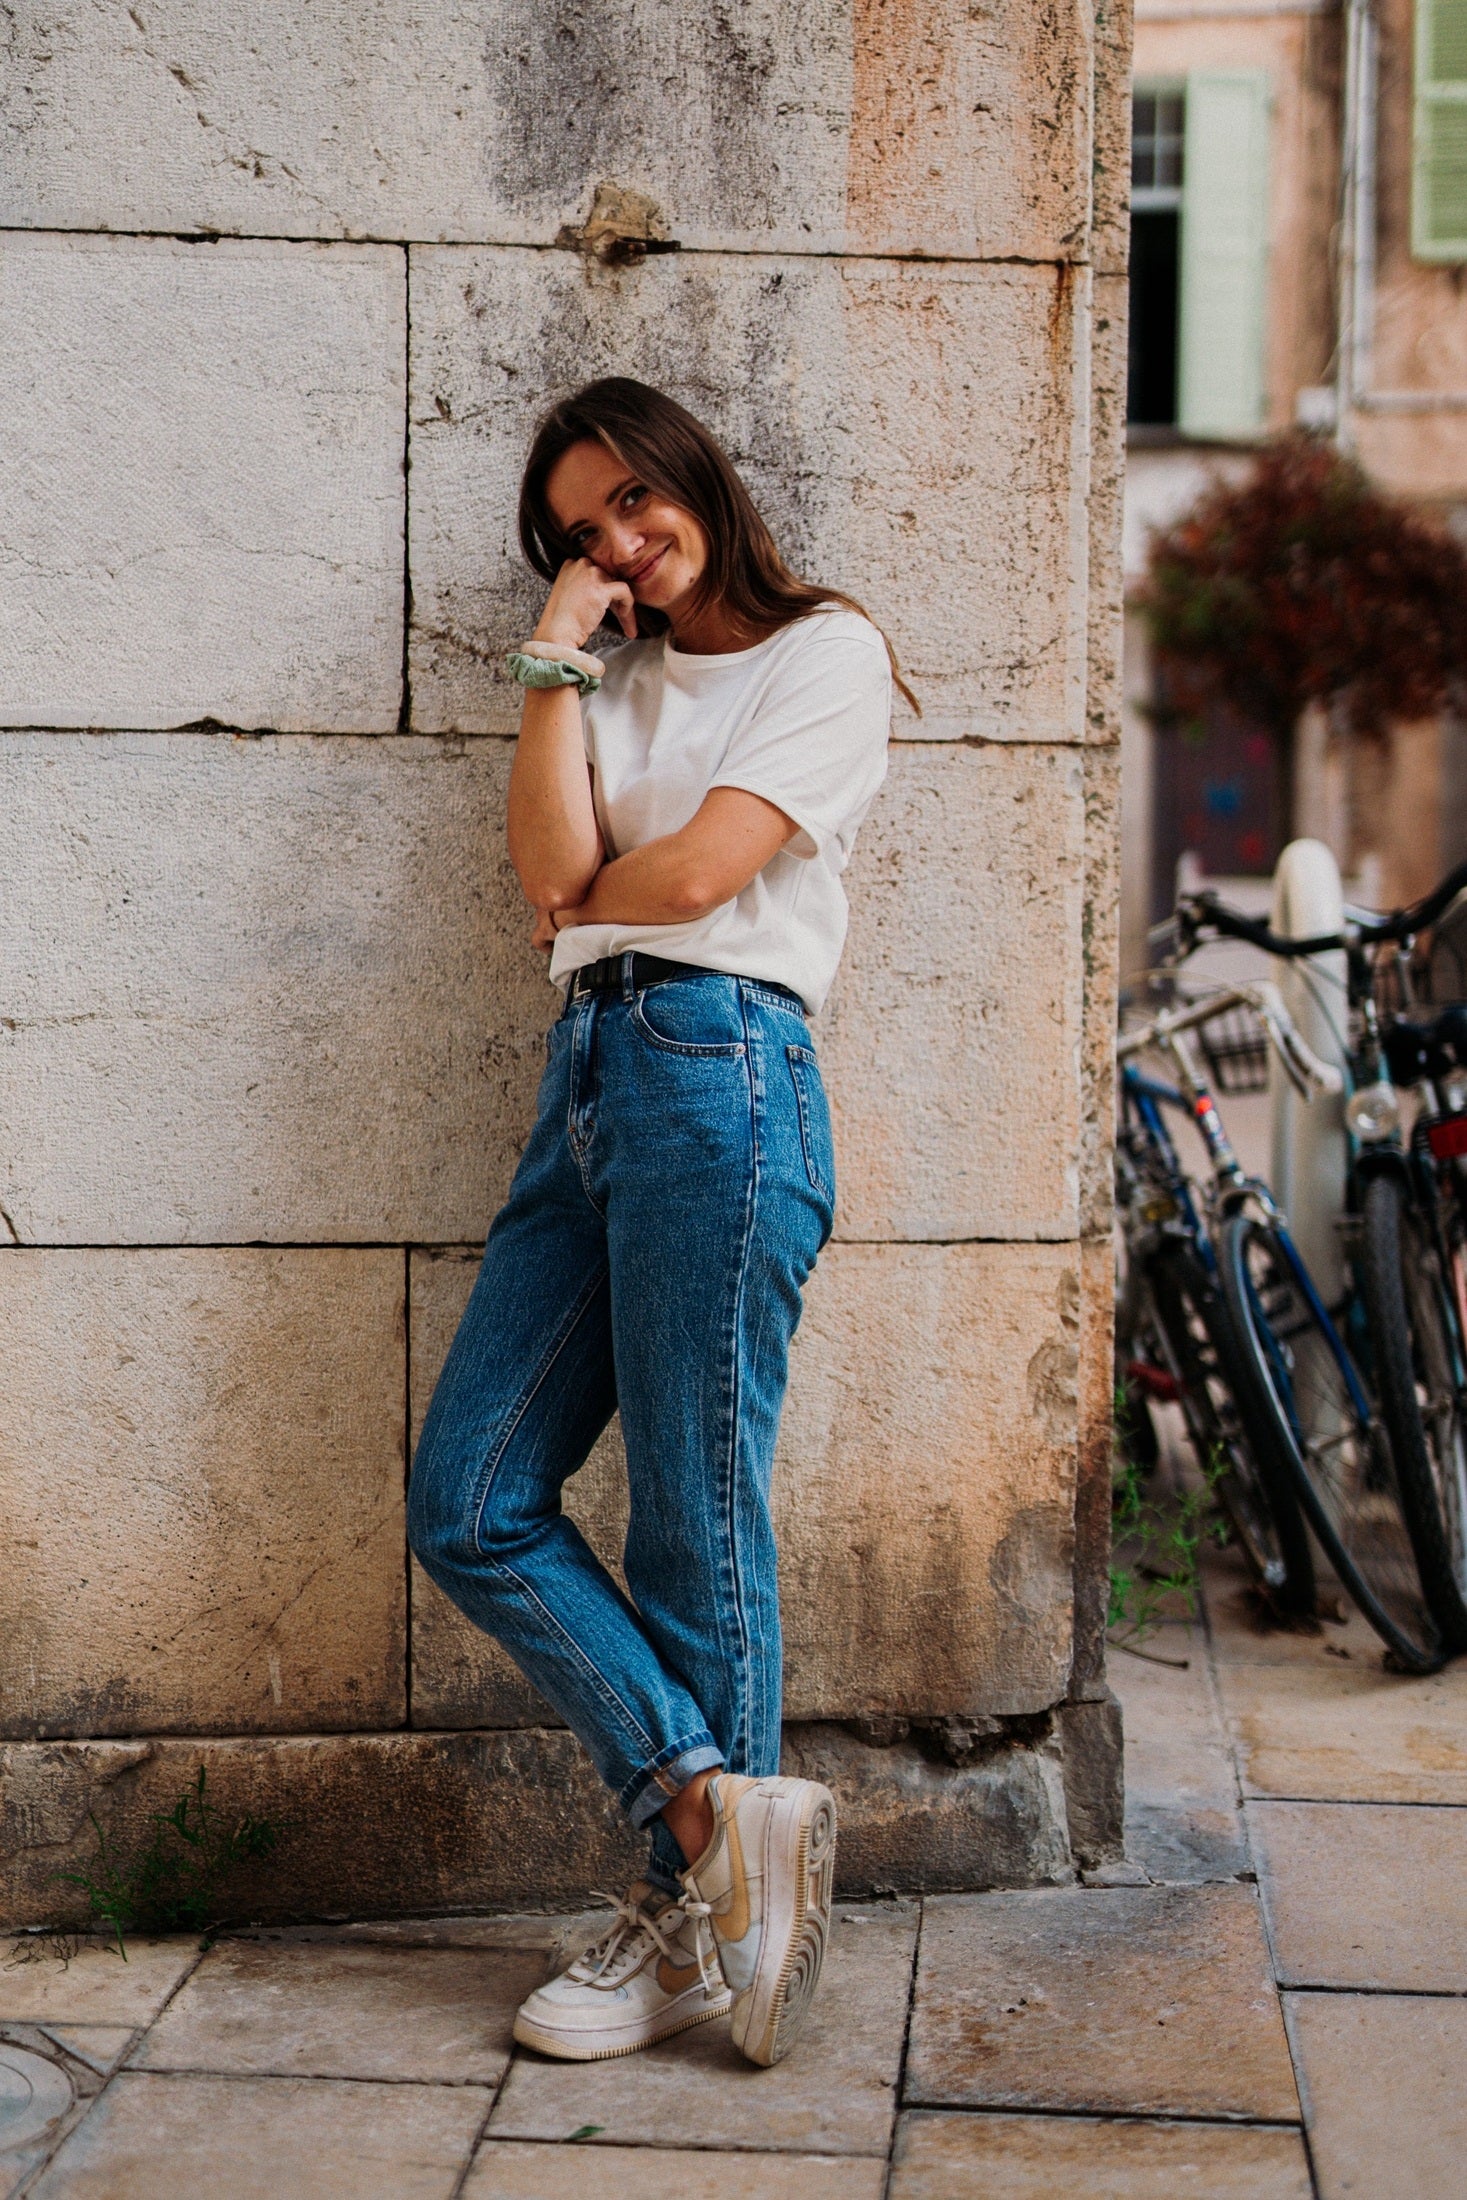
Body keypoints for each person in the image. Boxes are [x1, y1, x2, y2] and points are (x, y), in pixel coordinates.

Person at [408, 376, 907, 2068]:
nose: (621, 541)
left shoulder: (824, 653)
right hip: (591, 1079)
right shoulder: (598, 683)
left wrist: (596, 885)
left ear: (692, 470)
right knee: (471, 1495)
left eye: (632, 499)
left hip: (724, 1071)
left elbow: (694, 882)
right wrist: (558, 647)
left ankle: (697, 1941)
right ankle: (713, 1832)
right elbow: (545, 871)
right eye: (580, 530)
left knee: (695, 1512)